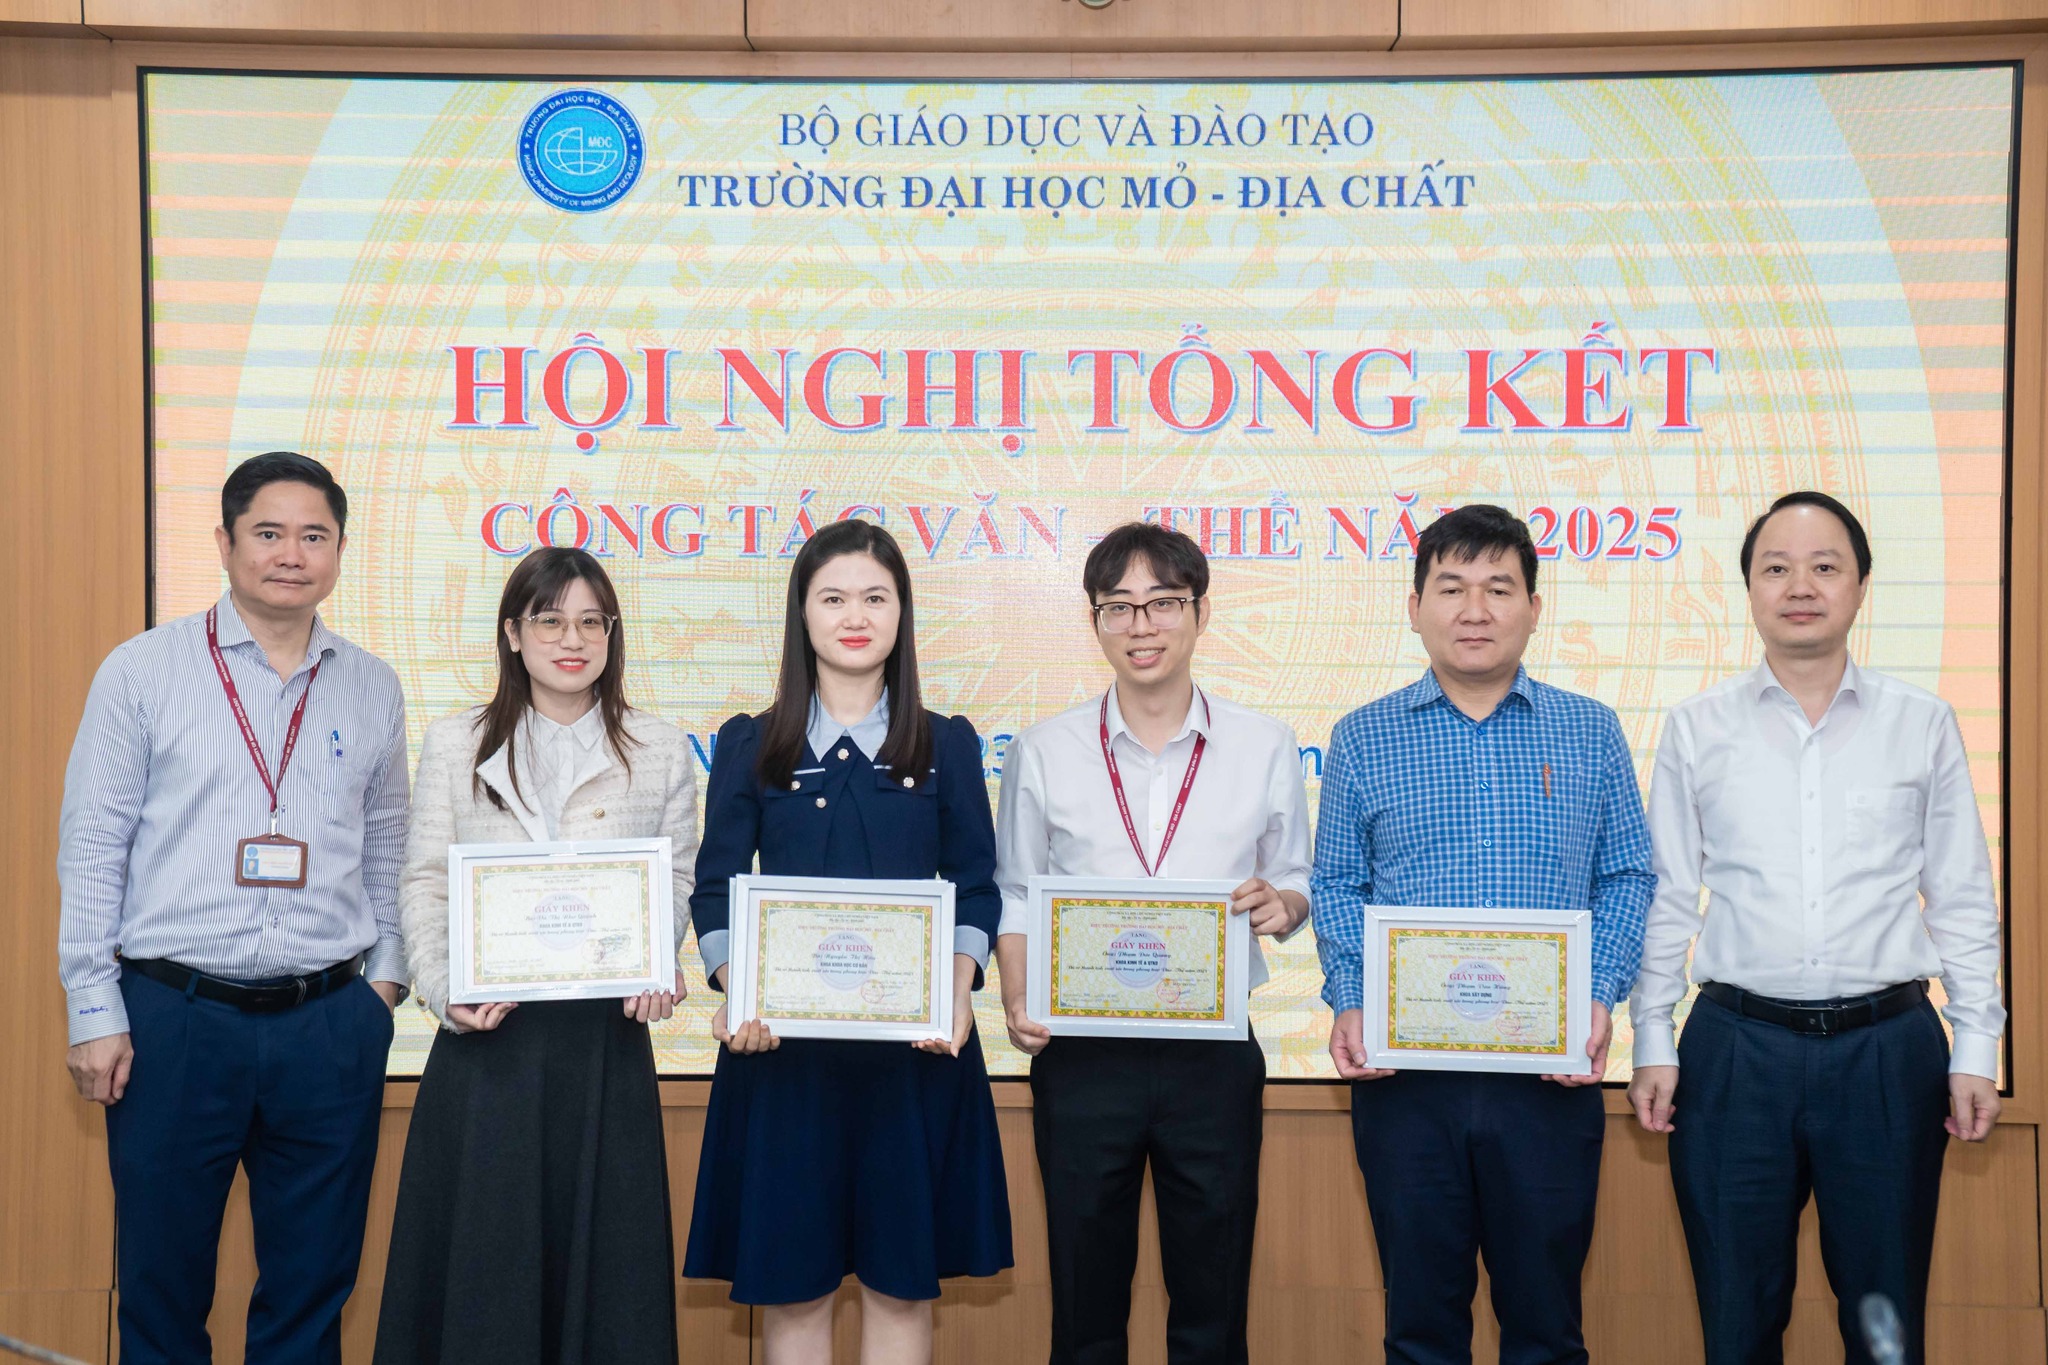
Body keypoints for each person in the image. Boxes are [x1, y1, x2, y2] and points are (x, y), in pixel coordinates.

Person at [1627, 492, 2004, 1365]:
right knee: (1736, 1318)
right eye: (1777, 567)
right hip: (1734, 1052)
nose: (1801, 586)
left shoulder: (1922, 722)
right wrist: (1653, 1036)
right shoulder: (1696, 727)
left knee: (1884, 1322)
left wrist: (1977, 1044)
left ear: (1861, 585)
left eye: (1825, 566)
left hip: (1887, 1051)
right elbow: (1668, 896)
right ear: (1750, 588)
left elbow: (1959, 895)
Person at [57, 451, 409, 1364]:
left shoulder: (372, 683)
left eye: (314, 535)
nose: (291, 554)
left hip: (328, 1023)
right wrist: (94, 1009)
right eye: (268, 532)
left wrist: (382, 989)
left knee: (313, 1286)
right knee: (162, 1286)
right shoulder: (142, 671)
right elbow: (93, 847)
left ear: (339, 549)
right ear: (224, 542)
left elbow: (387, 845)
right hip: (174, 1020)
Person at [1313, 503, 1655, 1365]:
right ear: (1415, 606)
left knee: (1546, 1329)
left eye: (1499, 588)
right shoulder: (1362, 736)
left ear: (1533, 608)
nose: (1475, 609)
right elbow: (1337, 884)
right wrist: (1351, 997)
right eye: (1452, 587)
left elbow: (1628, 874)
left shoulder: (1590, 729)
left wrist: (1597, 994)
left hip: (1547, 1077)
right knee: (1421, 1329)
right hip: (1406, 1081)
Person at [682, 518, 1012, 1364]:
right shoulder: (752, 742)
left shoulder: (946, 742)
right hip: (783, 1058)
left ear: (903, 613)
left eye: (875, 597)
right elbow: (716, 886)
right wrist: (735, 990)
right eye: (832, 598)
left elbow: (976, 882)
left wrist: (957, 988)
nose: (854, 616)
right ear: (802, 612)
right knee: (795, 1291)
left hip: (915, 1057)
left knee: (902, 1288)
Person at [992, 521, 1311, 1365]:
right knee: (1084, 1300)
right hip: (1083, 1052)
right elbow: (1017, 891)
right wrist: (1018, 999)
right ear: (1094, 620)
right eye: (1119, 606)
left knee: (1214, 1298)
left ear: (1200, 611)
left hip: (1213, 1053)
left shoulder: (1265, 743)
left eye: (1163, 602)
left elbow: (1295, 876)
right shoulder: (1044, 749)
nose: (1142, 625)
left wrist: (1282, 902)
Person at [372, 546, 697, 1365]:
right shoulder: (457, 742)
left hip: (603, 1049)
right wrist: (444, 987)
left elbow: (674, 876)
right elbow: (424, 879)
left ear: (613, 633)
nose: (572, 639)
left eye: (591, 621)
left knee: (609, 1284)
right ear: (513, 633)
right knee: (485, 1279)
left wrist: (656, 958)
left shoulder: (660, 748)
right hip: (488, 1045)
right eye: (549, 620)